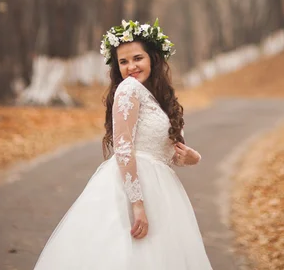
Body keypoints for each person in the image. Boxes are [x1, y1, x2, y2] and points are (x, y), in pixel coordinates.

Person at [33, 19, 213, 269]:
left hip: (159, 189)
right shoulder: (128, 89)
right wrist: (137, 204)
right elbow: (125, 146)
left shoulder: (156, 96)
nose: (131, 67)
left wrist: (190, 157)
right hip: (132, 190)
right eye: (123, 62)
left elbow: (158, 150)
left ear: (152, 58)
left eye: (137, 58)